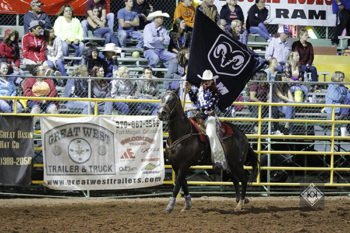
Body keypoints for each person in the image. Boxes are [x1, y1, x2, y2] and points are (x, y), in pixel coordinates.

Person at [186, 69, 226, 169]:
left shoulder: (215, 93)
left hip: (209, 117)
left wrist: (196, 108)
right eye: (204, 80)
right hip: (198, 116)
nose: (206, 82)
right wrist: (190, 90)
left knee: (211, 134)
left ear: (212, 81)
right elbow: (194, 99)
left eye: (208, 80)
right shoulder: (200, 90)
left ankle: (219, 159)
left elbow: (210, 106)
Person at [143, 11, 178, 87]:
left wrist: (158, 39)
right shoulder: (148, 27)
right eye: (161, 18)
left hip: (161, 50)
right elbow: (150, 40)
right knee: (155, 59)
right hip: (149, 50)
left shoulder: (163, 29)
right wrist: (160, 38)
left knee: (176, 57)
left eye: (162, 18)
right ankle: (150, 72)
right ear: (155, 18)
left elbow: (167, 41)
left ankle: (168, 79)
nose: (162, 19)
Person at [324, 71, 349, 136]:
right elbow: (337, 97)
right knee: (347, 99)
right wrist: (344, 96)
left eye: (343, 77)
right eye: (341, 77)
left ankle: (344, 133)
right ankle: (343, 133)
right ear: (336, 78)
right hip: (333, 111)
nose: (342, 79)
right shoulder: (332, 87)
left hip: (340, 109)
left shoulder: (342, 87)